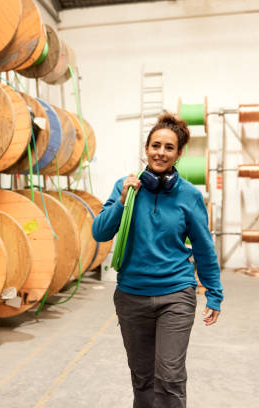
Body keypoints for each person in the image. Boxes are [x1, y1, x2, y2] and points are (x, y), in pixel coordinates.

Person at [92, 113, 223, 408]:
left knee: (170, 376)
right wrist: (123, 199)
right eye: (155, 145)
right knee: (142, 377)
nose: (160, 153)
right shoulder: (125, 186)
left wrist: (214, 294)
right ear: (146, 148)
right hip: (131, 296)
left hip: (175, 294)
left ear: (178, 154)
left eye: (168, 148)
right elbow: (99, 233)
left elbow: (203, 248)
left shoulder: (189, 195)